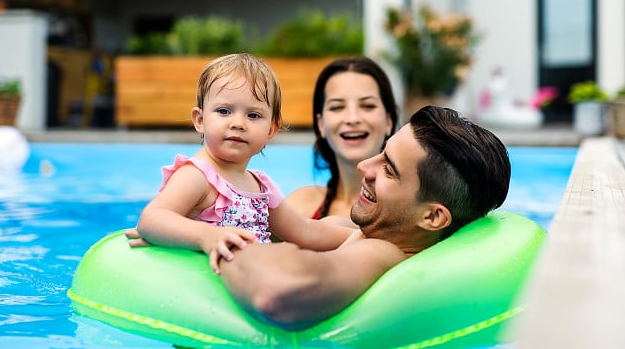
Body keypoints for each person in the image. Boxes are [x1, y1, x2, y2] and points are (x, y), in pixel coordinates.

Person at [211, 105, 511, 330]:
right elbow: (313, 230)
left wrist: (217, 240)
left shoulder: (379, 253)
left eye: (389, 169)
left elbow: (278, 293)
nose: (365, 166)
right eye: (381, 152)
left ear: (432, 216)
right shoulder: (368, 234)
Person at [125, 53, 350, 258]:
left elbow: (305, 232)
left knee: (339, 223)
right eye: (224, 111)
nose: (238, 123)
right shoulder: (197, 176)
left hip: (254, 278)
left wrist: (362, 238)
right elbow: (151, 218)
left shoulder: (261, 186)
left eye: (253, 115)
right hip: (213, 283)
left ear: (271, 129)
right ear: (200, 120)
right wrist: (207, 236)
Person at [284, 56, 399, 224]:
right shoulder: (299, 206)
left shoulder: (406, 212)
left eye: (368, 106)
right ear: (321, 124)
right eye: (337, 107)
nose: (352, 119)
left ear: (389, 121)